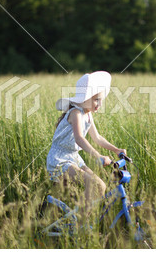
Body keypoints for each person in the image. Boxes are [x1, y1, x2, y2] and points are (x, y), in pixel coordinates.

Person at [46, 71, 126, 216]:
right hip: (60, 159)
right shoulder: (76, 113)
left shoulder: (88, 115)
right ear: (85, 98)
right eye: (96, 100)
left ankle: (82, 219)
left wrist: (116, 149)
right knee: (94, 184)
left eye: (101, 100)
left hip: (74, 157)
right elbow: (79, 138)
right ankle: (82, 226)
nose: (99, 104)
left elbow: (97, 138)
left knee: (100, 186)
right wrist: (98, 156)